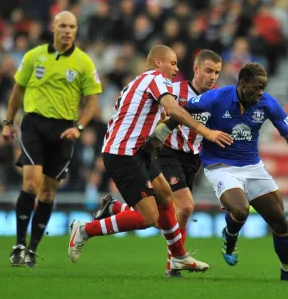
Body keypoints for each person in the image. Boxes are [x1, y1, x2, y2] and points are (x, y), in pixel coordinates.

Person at [68, 45, 233, 274]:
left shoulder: (144, 81)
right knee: (150, 217)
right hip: (123, 153)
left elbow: (156, 112)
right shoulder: (157, 80)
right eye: (172, 63)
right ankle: (85, 230)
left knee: (165, 198)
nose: (176, 69)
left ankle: (178, 256)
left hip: (139, 151)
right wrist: (205, 132)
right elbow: (173, 109)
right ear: (158, 62)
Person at [2, 11, 102, 267]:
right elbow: (18, 91)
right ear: (54, 27)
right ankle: (19, 244)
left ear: (76, 30)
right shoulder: (34, 56)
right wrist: (7, 122)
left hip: (64, 130)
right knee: (32, 184)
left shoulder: (83, 63)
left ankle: (33, 249)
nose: (67, 30)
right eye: (63, 26)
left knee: (47, 193)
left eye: (72, 26)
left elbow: (92, 103)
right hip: (34, 124)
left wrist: (79, 126)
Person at [181, 62, 288, 281]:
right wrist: (203, 131)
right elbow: (182, 109)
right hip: (220, 166)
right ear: (242, 84)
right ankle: (231, 235)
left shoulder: (267, 103)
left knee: (280, 221)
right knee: (241, 209)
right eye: (256, 87)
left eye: (263, 88)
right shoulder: (217, 98)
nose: (260, 92)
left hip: (253, 167)